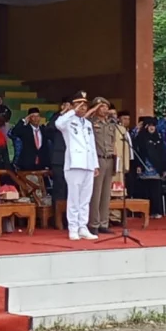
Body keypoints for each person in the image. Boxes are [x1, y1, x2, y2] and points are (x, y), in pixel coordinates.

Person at [55, 91, 99, 241]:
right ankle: (73, 228)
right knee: (74, 199)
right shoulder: (68, 121)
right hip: (74, 164)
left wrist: (95, 164)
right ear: (73, 106)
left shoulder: (87, 124)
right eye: (79, 104)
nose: (83, 107)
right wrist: (71, 111)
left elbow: (91, 145)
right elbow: (58, 124)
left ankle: (83, 227)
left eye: (85, 105)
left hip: (88, 164)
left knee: (85, 199)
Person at [88, 97, 116, 235]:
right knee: (96, 193)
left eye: (106, 107)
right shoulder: (91, 123)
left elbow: (113, 142)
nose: (104, 109)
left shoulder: (111, 124)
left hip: (109, 159)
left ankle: (104, 223)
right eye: (101, 107)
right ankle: (94, 223)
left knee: (106, 194)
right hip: (97, 159)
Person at [134, 117, 166, 219]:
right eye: (150, 126)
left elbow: (163, 154)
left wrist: (164, 168)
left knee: (156, 192)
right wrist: (138, 165)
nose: (152, 128)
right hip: (144, 168)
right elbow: (137, 153)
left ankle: (155, 211)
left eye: (154, 126)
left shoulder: (159, 138)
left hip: (156, 169)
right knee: (145, 191)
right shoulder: (140, 138)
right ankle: (144, 211)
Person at [46, 100, 71, 206]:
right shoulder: (57, 118)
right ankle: (57, 213)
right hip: (59, 159)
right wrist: (63, 112)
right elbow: (49, 127)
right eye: (67, 105)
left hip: (72, 159)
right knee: (59, 188)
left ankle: (68, 214)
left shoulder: (75, 120)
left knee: (70, 189)